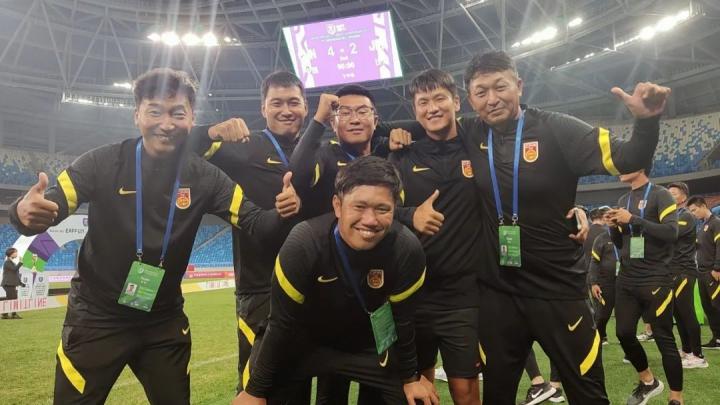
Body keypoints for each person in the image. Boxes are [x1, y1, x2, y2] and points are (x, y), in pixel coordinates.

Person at [9, 68, 301, 404]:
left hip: (163, 321)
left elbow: (257, 224)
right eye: (155, 112)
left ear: (192, 119)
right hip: (96, 318)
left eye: (178, 113)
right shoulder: (102, 162)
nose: (166, 123)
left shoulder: (207, 177)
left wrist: (282, 212)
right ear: (137, 115)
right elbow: (50, 205)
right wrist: (22, 212)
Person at [452, 50, 668, 405]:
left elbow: (629, 158)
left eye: (500, 87)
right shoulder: (468, 132)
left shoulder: (557, 128)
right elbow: (423, 128)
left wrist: (645, 121)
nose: (492, 99)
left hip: (558, 290)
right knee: (497, 395)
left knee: (588, 395)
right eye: (481, 91)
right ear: (470, 99)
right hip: (498, 293)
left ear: (519, 85)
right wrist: (389, 133)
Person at [233, 157, 438, 405]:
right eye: (359, 207)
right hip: (303, 343)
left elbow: (404, 322)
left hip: (365, 346)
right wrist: (255, 391)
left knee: (413, 400)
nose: (370, 220)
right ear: (338, 206)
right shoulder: (304, 244)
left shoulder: (406, 250)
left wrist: (410, 378)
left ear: (395, 208)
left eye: (382, 209)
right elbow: (281, 323)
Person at [188, 71, 310, 396]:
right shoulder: (244, 147)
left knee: (299, 382)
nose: (286, 110)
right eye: (277, 103)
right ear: (263, 108)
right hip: (260, 289)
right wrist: (210, 131)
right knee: (256, 388)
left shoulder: (316, 152)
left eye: (293, 102)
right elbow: (178, 149)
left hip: (309, 286)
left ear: (306, 107)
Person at [388, 69, 482, 405]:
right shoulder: (402, 156)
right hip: (413, 294)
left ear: (456, 101)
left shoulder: (478, 147)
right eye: (423, 102)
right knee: (419, 391)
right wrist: (410, 215)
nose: (432, 108)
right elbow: (380, 212)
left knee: (465, 390)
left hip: (463, 297)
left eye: (439, 98)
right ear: (415, 110)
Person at [607, 167, 683, 405]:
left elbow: (671, 232)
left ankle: (676, 397)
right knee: (623, 333)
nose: (619, 169)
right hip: (627, 278)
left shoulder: (661, 194)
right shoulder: (623, 200)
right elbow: (621, 243)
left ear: (640, 167)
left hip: (655, 277)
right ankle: (648, 381)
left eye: (626, 164)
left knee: (663, 338)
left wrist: (633, 219)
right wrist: (613, 227)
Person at [667, 182, 707, 368]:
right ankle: (687, 350)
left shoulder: (686, 216)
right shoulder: (672, 216)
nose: (670, 196)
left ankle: (698, 356)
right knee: (678, 313)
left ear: (683, 197)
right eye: (668, 193)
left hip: (684, 271)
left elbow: (670, 235)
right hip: (673, 271)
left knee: (687, 312)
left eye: (674, 193)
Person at [686, 196, 720, 350]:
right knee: (708, 307)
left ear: (703, 206)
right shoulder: (702, 226)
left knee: (717, 305)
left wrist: (717, 268)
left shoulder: (716, 223)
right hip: (701, 272)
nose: (693, 214)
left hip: (712, 272)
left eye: (694, 210)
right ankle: (717, 338)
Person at [588, 206, 618, 346]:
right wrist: (594, 282)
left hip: (626, 282)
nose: (611, 220)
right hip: (605, 283)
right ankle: (597, 340)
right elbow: (594, 262)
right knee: (602, 315)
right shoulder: (601, 238)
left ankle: (629, 349)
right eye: (608, 217)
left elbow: (638, 256)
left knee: (625, 317)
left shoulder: (630, 237)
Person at [1, 247, 25, 319]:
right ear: (11, 254)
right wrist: (20, 262)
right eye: (15, 252)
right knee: (12, 299)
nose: (16, 254)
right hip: (8, 284)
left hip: (10, 284)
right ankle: (11, 314)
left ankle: (5, 314)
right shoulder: (7, 262)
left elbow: (15, 275)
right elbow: (14, 269)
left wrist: (20, 283)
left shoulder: (11, 262)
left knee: (11, 299)